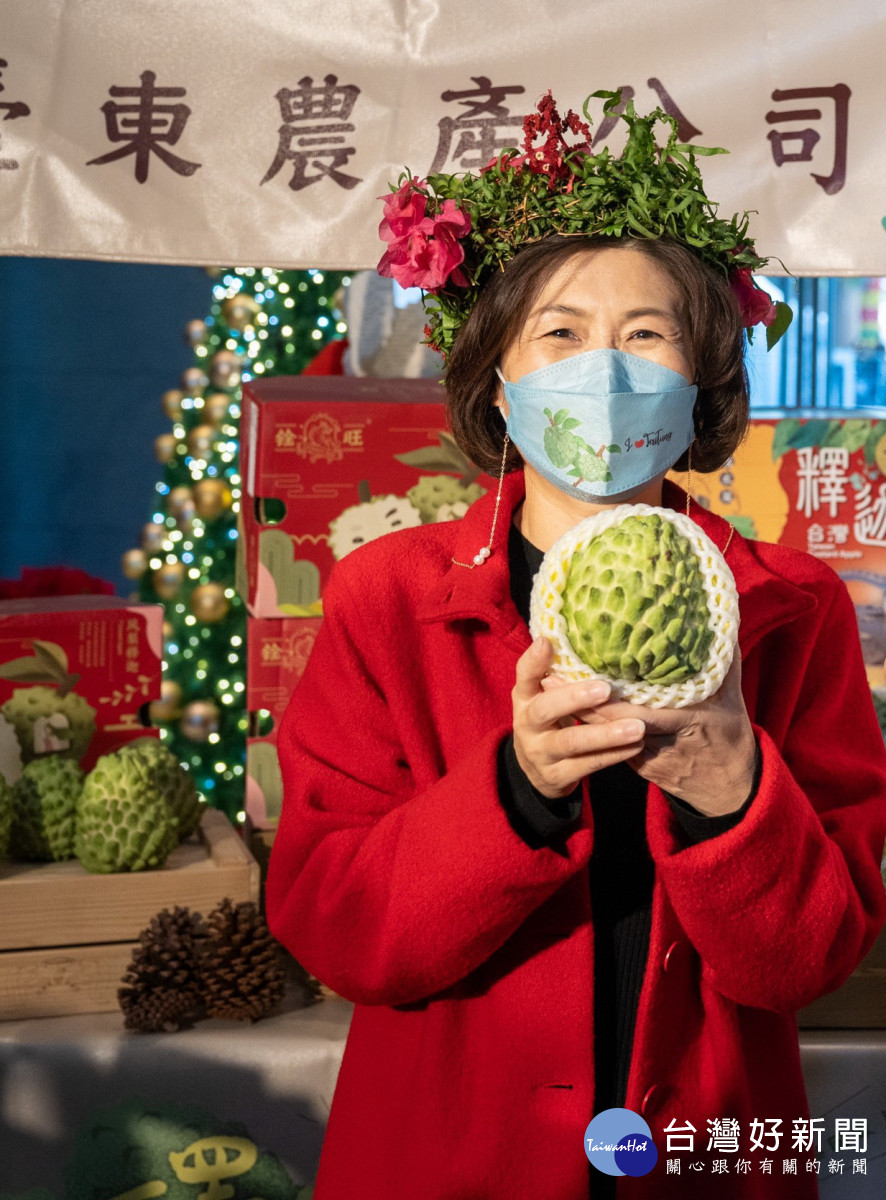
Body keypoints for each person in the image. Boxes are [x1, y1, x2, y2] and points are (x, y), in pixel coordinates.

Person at [266, 92, 886, 1199]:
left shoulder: (793, 611)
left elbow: (808, 960)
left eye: (645, 334)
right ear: (499, 378)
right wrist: (513, 794)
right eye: (558, 332)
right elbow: (334, 925)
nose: (603, 369)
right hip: (452, 1161)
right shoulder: (386, 602)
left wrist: (735, 796)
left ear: (698, 374)